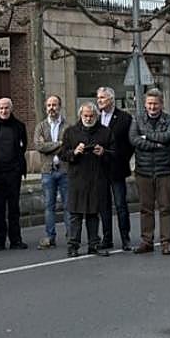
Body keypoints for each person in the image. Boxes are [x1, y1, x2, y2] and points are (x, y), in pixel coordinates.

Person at [59, 101, 113, 258]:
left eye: (91, 116)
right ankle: (73, 246)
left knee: (93, 214)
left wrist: (103, 152)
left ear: (96, 116)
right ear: (80, 116)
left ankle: (93, 244)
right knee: (75, 214)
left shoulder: (105, 132)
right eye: (85, 116)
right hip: (77, 179)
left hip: (97, 178)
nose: (88, 119)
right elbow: (63, 154)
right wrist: (74, 152)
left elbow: (114, 154)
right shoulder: (71, 132)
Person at [130, 88, 170, 256]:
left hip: (165, 170)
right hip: (143, 171)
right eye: (149, 103)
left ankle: (166, 242)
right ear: (145, 104)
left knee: (165, 208)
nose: (152, 107)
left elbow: (167, 137)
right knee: (145, 208)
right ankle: (147, 241)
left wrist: (146, 137)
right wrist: (155, 144)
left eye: (155, 104)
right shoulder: (137, 119)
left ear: (161, 104)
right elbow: (134, 139)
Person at [0, 97, 28, 251]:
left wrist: (17, 168)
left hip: (14, 173)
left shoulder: (20, 126)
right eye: (1, 108)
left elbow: (23, 147)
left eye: (6, 108)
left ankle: (16, 240)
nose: (4, 111)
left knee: (14, 209)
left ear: (11, 108)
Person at [95, 86, 134, 252]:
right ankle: (107, 237)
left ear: (111, 99)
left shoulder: (124, 118)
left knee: (120, 204)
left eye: (102, 98)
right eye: (98, 98)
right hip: (99, 169)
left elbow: (129, 144)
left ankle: (125, 237)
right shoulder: (95, 118)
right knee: (104, 206)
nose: (99, 101)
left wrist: (117, 157)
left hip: (117, 167)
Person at [33, 94, 68, 249]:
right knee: (49, 205)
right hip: (47, 171)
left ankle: (71, 235)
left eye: (54, 105)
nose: (52, 108)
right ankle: (50, 236)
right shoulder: (40, 126)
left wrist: (50, 145)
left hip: (65, 169)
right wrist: (59, 143)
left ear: (60, 107)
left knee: (68, 205)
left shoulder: (67, 126)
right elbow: (39, 147)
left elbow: (68, 145)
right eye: (49, 105)